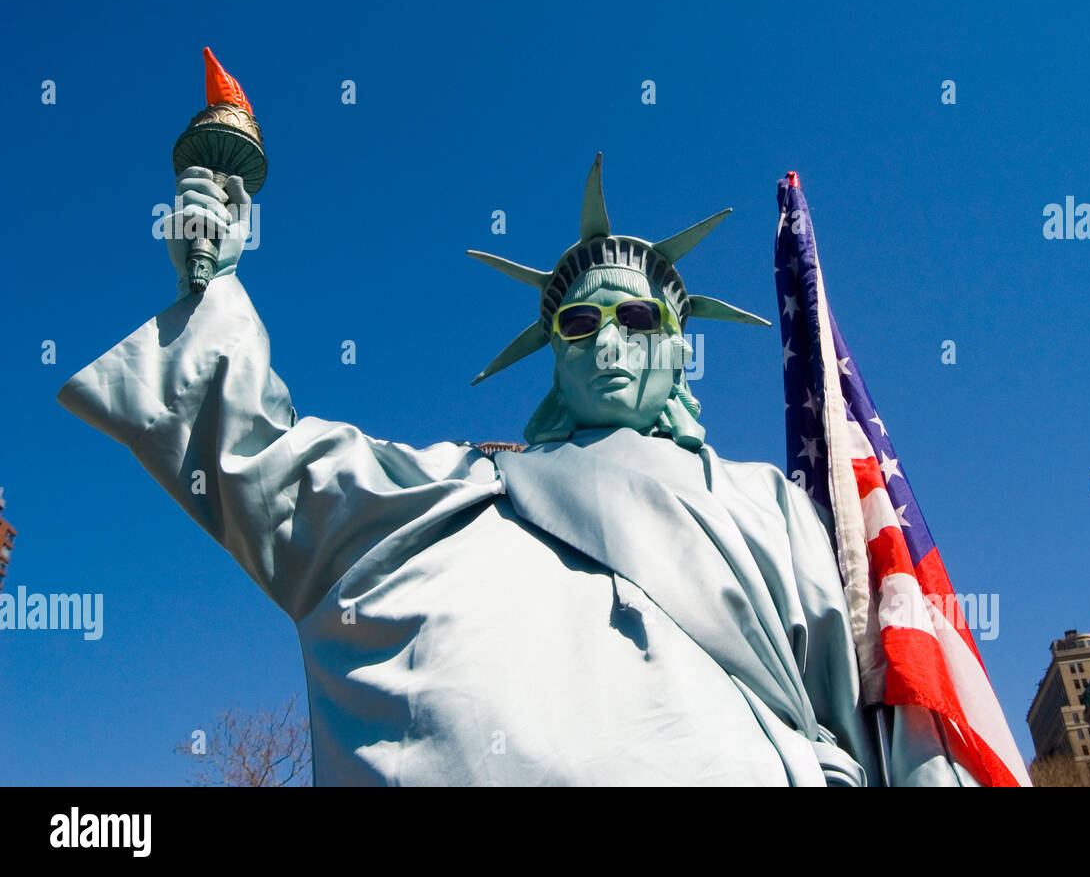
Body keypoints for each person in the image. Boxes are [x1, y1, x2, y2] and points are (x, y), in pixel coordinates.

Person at [57, 154, 977, 786]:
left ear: (680, 347)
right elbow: (284, 476)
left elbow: (878, 707)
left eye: (637, 319)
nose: (606, 339)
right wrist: (207, 286)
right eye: (577, 324)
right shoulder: (467, 490)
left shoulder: (774, 509)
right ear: (552, 352)